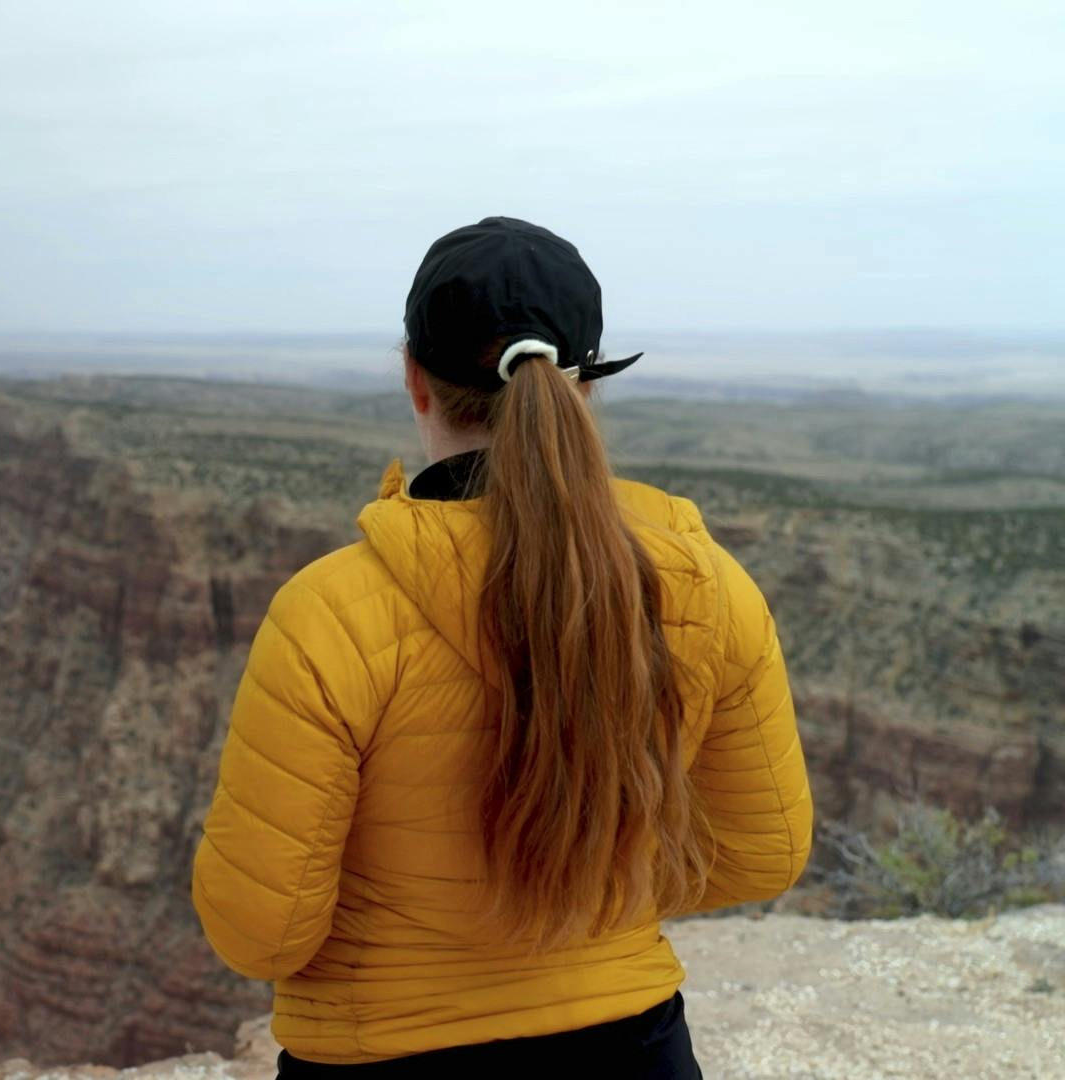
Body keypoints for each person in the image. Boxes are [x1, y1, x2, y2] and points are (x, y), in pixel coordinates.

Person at [190, 216, 814, 1078]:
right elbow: (761, 853)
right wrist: (594, 884)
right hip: (634, 1053)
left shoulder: (329, 614)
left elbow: (258, 931)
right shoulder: (707, 588)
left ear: (416, 379)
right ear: (585, 386)